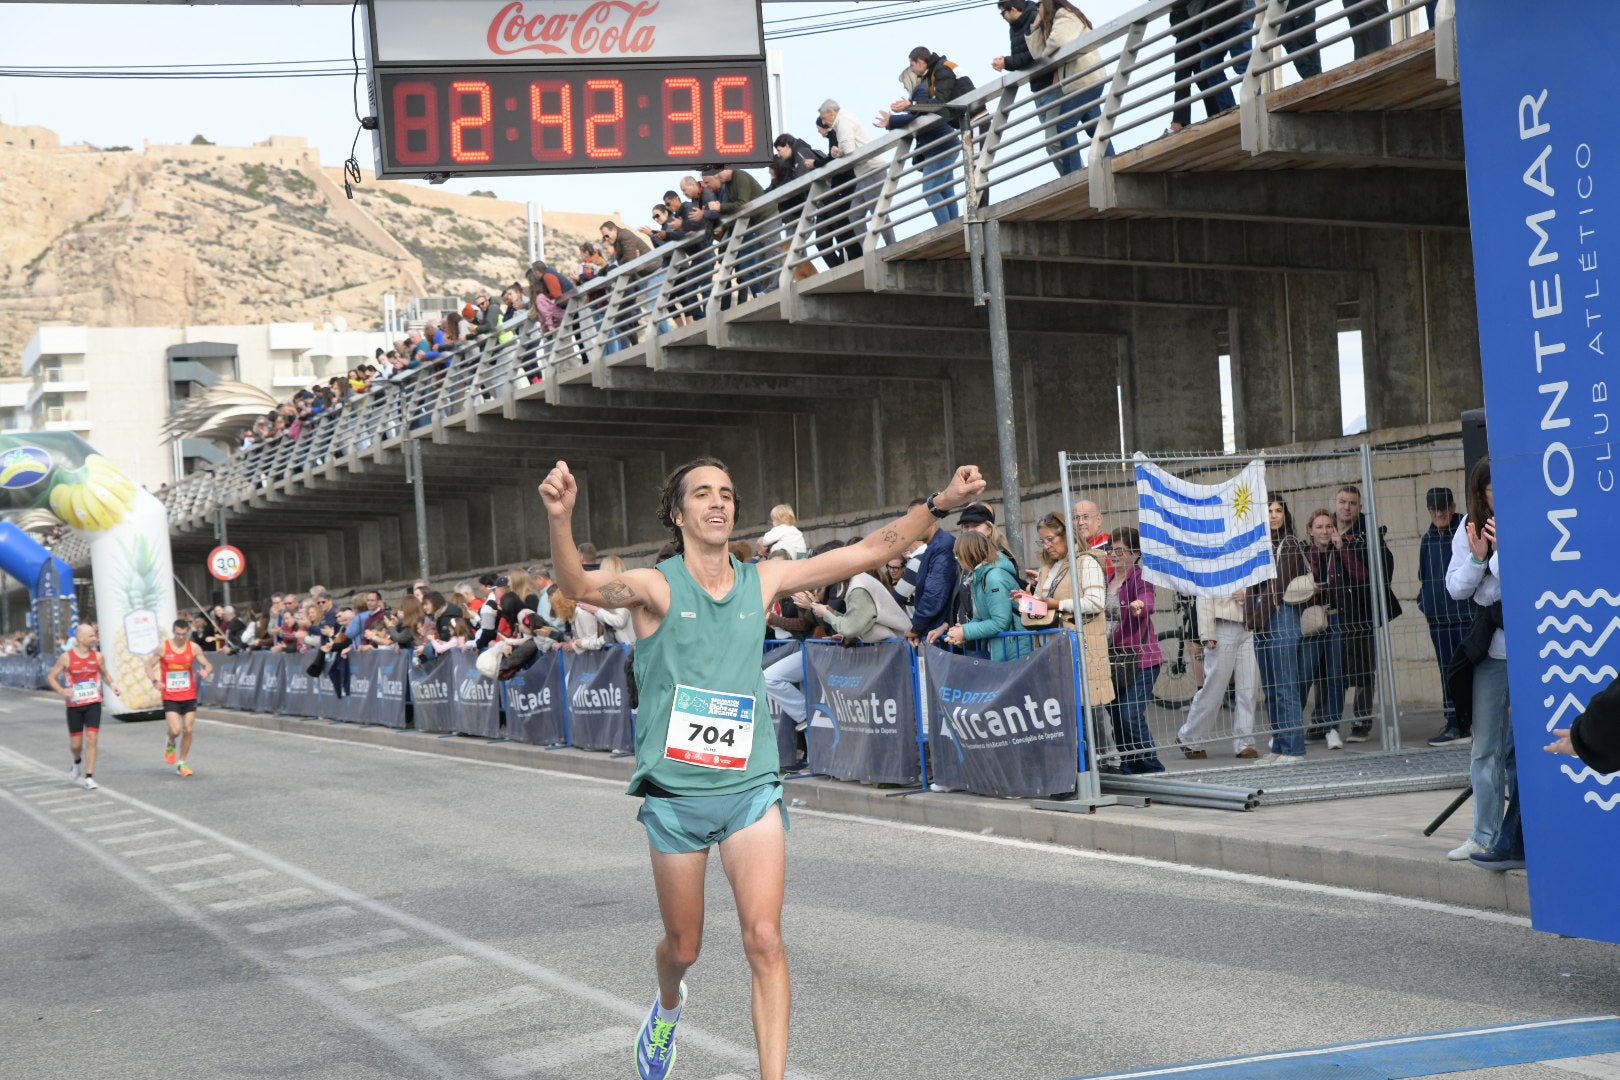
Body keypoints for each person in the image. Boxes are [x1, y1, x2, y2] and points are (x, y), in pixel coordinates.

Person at [539, 455, 986, 1080]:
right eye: (702, 493)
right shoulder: (655, 587)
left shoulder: (762, 579)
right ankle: (667, 1007)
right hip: (676, 795)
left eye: (726, 493)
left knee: (765, 939)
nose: (717, 502)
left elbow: (866, 551)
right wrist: (560, 520)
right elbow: (580, 587)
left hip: (750, 787)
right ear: (678, 514)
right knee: (684, 947)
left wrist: (939, 504)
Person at [1445, 458, 1520, 869]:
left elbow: (1520, 579)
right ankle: (1483, 834)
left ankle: (1518, 834)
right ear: (1481, 493)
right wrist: (1477, 559)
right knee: (1485, 747)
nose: (1500, 495)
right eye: (1493, 489)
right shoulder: (1469, 527)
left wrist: (1498, 553)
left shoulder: (1526, 517)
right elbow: (1456, 588)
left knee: (1520, 751)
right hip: (1491, 649)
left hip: (1528, 649)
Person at [1334, 484, 1400, 741]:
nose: (1346, 507)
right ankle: (1324, 723)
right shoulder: (1327, 528)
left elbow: (1384, 567)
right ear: (1336, 504)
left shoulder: (1369, 533)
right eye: (1342, 502)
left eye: (1352, 503)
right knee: (1329, 670)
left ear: (1360, 507)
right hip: (1332, 612)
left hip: (1361, 612)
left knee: (1363, 669)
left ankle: (1361, 722)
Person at [1175, 572, 1261, 759]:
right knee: (1214, 687)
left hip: (1250, 624)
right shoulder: (1211, 558)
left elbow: (1260, 582)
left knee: (1249, 688)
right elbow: (1203, 594)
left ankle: (1245, 741)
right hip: (1223, 625)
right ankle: (1189, 736)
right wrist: (1207, 632)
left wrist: (1248, 595)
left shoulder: (1249, 555)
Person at [1252, 498, 1310, 764]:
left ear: (1285, 515)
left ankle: (1294, 749)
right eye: (1269, 511)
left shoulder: (1290, 544)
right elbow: (1251, 584)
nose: (1274, 515)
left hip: (1282, 615)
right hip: (1261, 617)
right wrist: (1251, 618)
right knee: (1271, 688)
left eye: (1278, 511)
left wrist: (1255, 618)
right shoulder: (1259, 545)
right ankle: (1278, 746)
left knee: (1286, 686)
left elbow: (1277, 588)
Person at [1299, 508, 1363, 749]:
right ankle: (1291, 726)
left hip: (1336, 619)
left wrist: (1341, 548)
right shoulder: (1304, 555)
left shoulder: (1339, 552)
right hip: (1313, 620)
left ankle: (1332, 728)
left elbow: (1360, 575)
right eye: (1319, 527)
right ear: (1310, 531)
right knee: (1305, 675)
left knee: (1336, 675)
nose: (1324, 531)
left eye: (1329, 526)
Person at [878, 47, 963, 226]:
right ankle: (956, 227)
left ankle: (946, 228)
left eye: (904, 83)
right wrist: (894, 120)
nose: (904, 87)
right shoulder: (923, 90)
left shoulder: (921, 90)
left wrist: (891, 121)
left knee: (930, 190)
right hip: (946, 144)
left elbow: (913, 117)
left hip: (940, 146)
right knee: (946, 191)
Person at [1105, 527, 1165, 773]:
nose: (1113, 554)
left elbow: (1147, 599)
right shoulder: (1106, 580)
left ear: (1136, 554)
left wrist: (1141, 605)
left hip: (1140, 659)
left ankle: (1152, 768)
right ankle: (1130, 766)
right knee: (1117, 717)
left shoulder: (1140, 577)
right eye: (1111, 549)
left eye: (1120, 550)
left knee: (1130, 714)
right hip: (1112, 659)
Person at [1418, 487, 1474, 745]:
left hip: (1464, 616)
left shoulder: (1464, 532)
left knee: (1470, 672)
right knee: (1446, 672)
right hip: (1439, 618)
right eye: (1434, 509)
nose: (1439, 513)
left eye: (1443, 508)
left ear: (1452, 507)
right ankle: (1454, 722)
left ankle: (1469, 723)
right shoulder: (1428, 539)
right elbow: (1424, 575)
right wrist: (1426, 603)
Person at [46, 624, 120, 790]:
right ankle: (76, 761)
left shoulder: (98, 657)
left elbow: (105, 674)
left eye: (95, 635)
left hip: (93, 704)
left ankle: (89, 776)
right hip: (74, 706)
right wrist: (62, 690)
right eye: (91, 636)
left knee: (92, 738)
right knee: (76, 745)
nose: (95, 638)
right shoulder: (67, 657)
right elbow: (51, 677)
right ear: (80, 639)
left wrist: (113, 685)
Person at [941, 531, 1032, 660]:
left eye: (958, 556)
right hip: (1005, 647)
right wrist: (963, 631)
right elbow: (980, 617)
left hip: (1016, 649)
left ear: (968, 554)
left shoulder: (994, 578)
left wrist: (965, 631)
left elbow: (1000, 622)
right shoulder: (980, 576)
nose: (958, 560)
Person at [147, 618, 214, 777]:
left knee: (188, 729)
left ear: (187, 633)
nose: (181, 637)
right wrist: (155, 681)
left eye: (184, 634)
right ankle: (170, 740)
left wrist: (206, 672)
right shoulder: (164, 647)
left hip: (189, 694)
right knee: (176, 730)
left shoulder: (193, 647)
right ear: (173, 632)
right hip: (170, 695)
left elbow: (208, 664)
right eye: (178, 634)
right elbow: (149, 666)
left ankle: (182, 763)